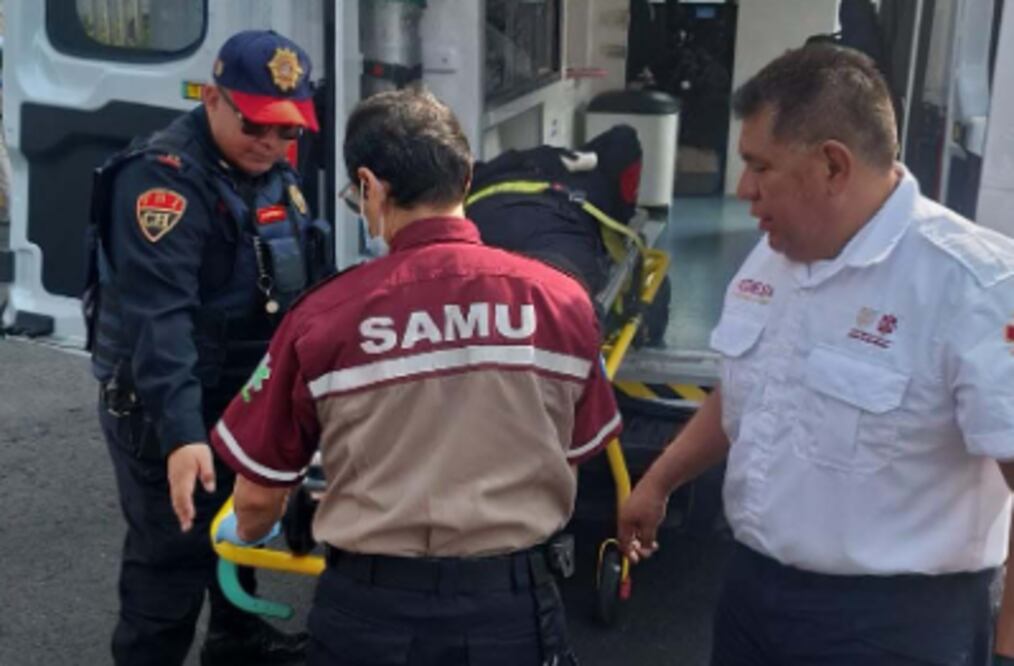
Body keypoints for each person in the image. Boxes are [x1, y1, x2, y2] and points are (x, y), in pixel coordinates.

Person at [618, 44, 1014, 666]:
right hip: (754, 595)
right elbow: (751, 387)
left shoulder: (974, 287)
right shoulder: (776, 257)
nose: (744, 189)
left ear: (833, 165)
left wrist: (1008, 651)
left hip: (895, 627)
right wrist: (660, 480)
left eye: (760, 166)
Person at [198, 88, 622, 666]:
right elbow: (574, 449)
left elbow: (255, 503)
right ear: (466, 177)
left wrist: (263, 528)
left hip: (370, 616)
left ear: (371, 187)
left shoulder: (321, 319)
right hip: (513, 609)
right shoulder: (562, 302)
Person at [85, 29, 333, 666]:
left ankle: (237, 643)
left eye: (289, 131)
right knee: (171, 558)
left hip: (243, 393)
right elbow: (158, 320)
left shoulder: (269, 166)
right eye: (257, 126)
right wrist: (180, 435)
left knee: (242, 528)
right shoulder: (160, 183)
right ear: (214, 97)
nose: (274, 145)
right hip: (165, 398)